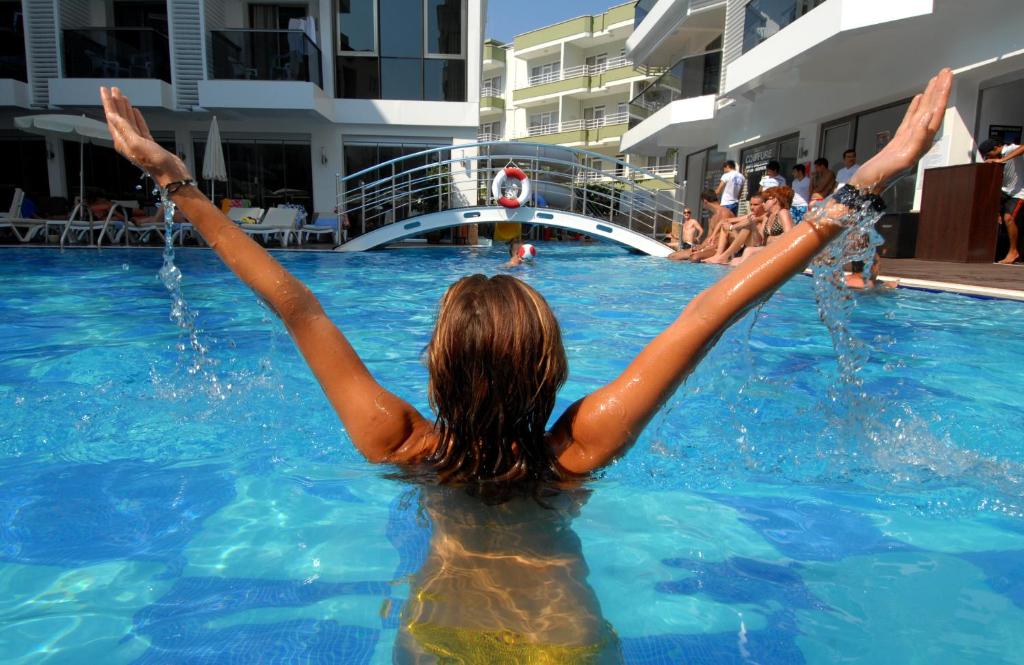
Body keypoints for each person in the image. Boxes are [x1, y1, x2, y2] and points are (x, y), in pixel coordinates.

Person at [99, 71, 952, 662]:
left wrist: (175, 178)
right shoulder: (579, 447)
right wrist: (862, 184)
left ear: (436, 374)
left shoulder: (398, 441)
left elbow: (295, 302)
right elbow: (711, 309)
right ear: (550, 370)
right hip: (562, 639)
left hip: (436, 637)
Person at [979, 138, 1024, 264]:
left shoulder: (1009, 149)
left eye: (988, 155)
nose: (988, 157)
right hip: (1004, 193)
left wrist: (1002, 160)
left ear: (996, 148)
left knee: (1008, 218)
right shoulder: (996, 158)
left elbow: (1023, 147)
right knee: (998, 219)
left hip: (1018, 193)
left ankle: (1013, 252)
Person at [666, 189, 734, 261]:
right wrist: (700, 247)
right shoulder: (711, 217)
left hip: (719, 249)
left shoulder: (724, 213)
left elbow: (725, 238)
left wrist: (704, 249)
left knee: (694, 257)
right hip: (709, 248)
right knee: (672, 256)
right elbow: (708, 237)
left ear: (705, 201)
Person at [703, 193, 769, 264]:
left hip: (757, 244)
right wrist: (713, 235)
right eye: (751, 204)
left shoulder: (765, 216)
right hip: (745, 243)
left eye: (756, 205)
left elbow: (751, 224)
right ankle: (718, 255)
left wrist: (732, 227)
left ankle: (724, 256)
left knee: (747, 226)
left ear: (763, 205)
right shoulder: (751, 215)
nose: (752, 207)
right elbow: (724, 221)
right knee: (725, 225)